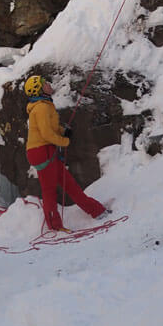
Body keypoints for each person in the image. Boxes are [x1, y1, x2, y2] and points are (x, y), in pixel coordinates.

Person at [24, 75, 106, 230]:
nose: (48, 84)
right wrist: (64, 141)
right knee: (49, 191)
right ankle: (54, 226)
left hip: (45, 151)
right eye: (45, 83)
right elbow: (46, 134)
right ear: (39, 89)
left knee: (70, 185)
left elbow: (51, 129)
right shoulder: (41, 108)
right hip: (41, 152)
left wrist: (63, 131)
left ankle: (97, 211)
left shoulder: (45, 105)